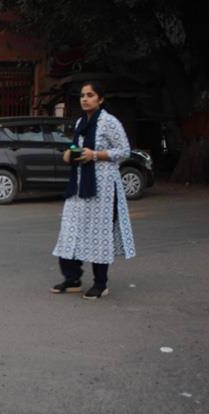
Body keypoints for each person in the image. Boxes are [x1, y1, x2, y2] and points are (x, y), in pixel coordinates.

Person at [52, 82, 136, 299]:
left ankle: (101, 284)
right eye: (82, 95)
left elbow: (124, 151)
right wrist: (70, 154)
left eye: (90, 95)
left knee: (99, 233)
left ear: (100, 99)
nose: (85, 99)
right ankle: (72, 279)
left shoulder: (109, 122)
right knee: (70, 229)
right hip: (79, 185)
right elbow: (77, 148)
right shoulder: (81, 122)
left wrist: (95, 155)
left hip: (103, 187)